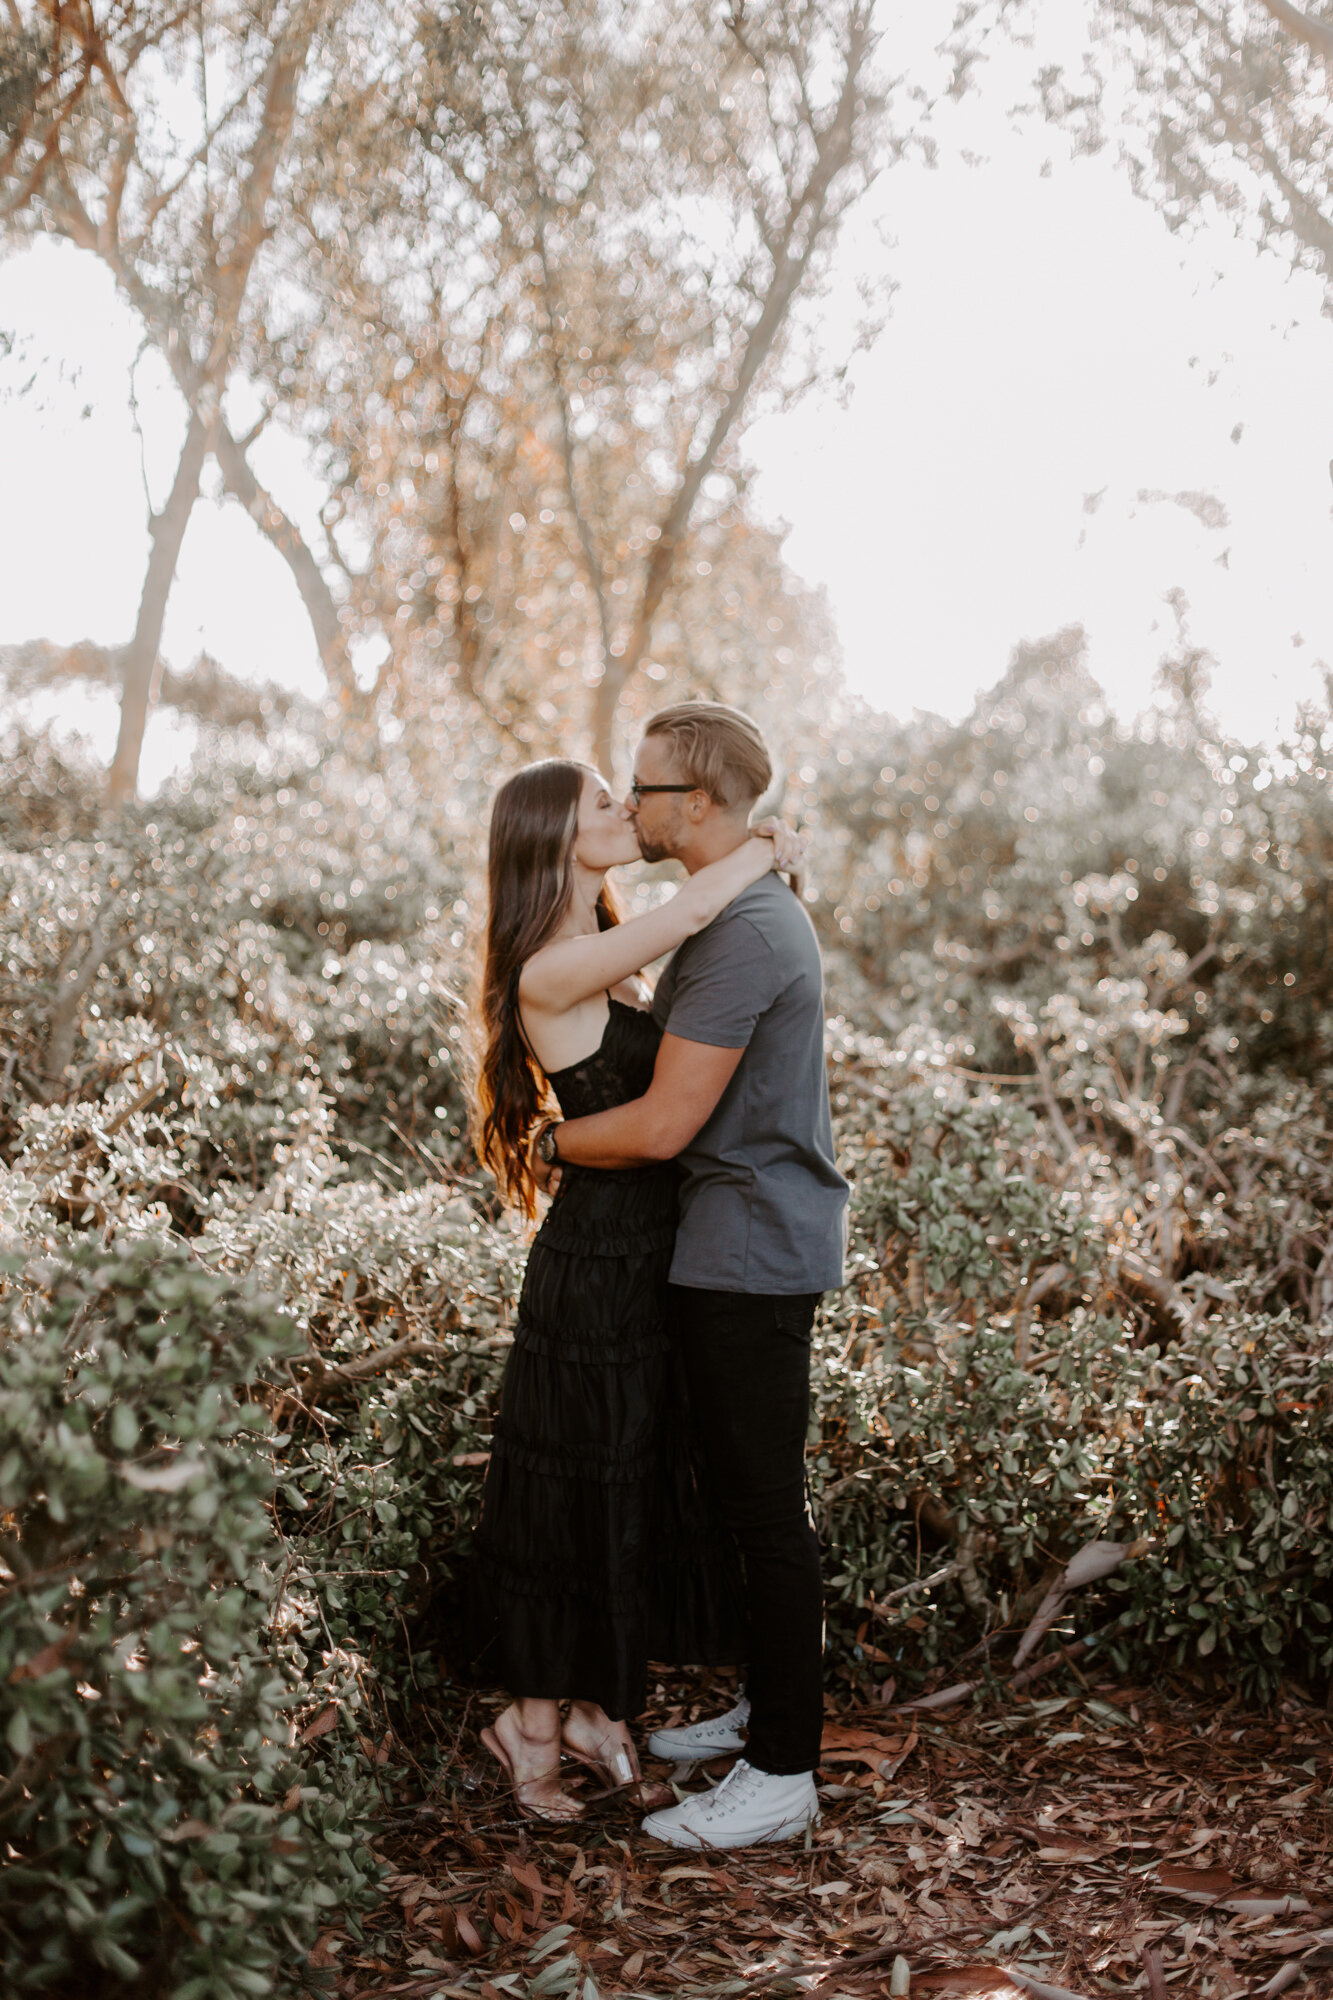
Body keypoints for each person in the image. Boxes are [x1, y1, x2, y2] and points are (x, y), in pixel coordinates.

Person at [535, 702, 849, 1850]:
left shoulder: (746, 932)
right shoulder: (727, 917)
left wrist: (547, 1145)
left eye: (646, 784)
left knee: (765, 1510)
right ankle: (769, 1709)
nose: (632, 799)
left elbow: (665, 1123)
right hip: (731, 1241)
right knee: (739, 1496)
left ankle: (781, 1774)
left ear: (699, 805)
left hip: (750, 1249)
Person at [464, 755, 801, 1821]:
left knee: (623, 1484)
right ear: (555, 836)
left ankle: (591, 1705)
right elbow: (698, 899)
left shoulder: (601, 948)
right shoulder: (550, 968)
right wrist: (764, 840)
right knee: (568, 1485)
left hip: (648, 1252)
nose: (623, 810)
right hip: (596, 1262)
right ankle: (527, 1720)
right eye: (603, 801)